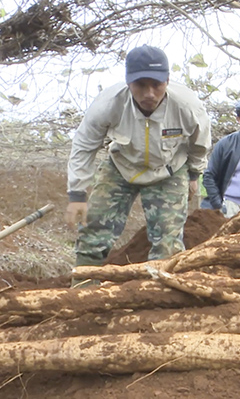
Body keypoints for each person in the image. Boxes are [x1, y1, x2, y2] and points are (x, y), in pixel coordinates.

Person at [66, 45, 212, 268]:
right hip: (121, 167)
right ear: (128, 82)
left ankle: (160, 287)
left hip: (168, 171)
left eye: (156, 85)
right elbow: (84, 146)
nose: (149, 93)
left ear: (167, 81)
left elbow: (200, 144)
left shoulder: (187, 106)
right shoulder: (108, 104)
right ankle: (84, 283)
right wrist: (77, 194)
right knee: (93, 230)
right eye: (141, 85)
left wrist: (194, 175)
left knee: (167, 242)